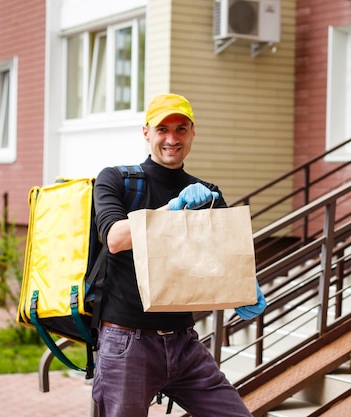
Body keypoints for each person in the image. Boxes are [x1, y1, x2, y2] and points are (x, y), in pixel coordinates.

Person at [92, 93, 267, 416]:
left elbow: (221, 259)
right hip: (127, 341)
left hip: (184, 343)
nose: (172, 139)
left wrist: (244, 287)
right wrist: (172, 210)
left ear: (193, 132)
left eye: (181, 129)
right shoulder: (115, 179)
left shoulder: (207, 193)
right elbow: (114, 238)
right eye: (162, 129)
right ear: (146, 132)